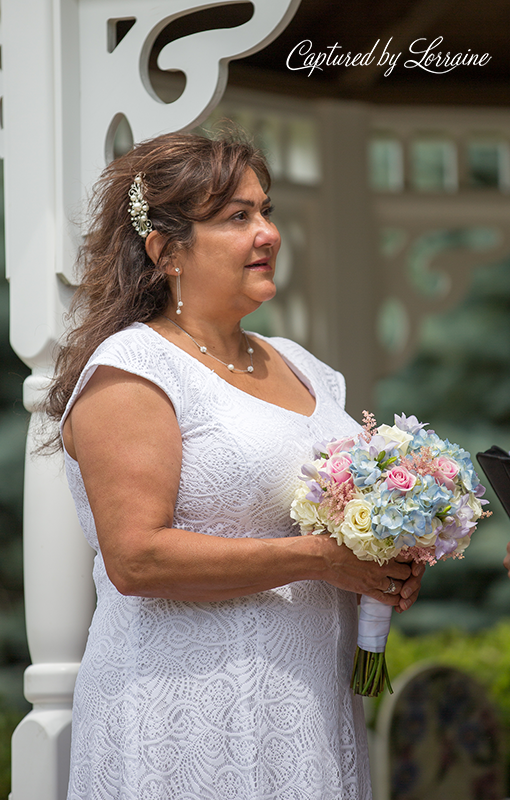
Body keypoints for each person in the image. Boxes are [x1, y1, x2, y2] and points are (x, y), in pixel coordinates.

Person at [44, 131, 424, 800]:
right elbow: (136, 559)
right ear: (165, 251)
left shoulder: (301, 364)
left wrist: (380, 556)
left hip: (305, 704)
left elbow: (327, 524)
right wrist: (321, 559)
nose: (267, 233)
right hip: (181, 711)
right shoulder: (134, 372)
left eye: (265, 210)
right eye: (235, 217)